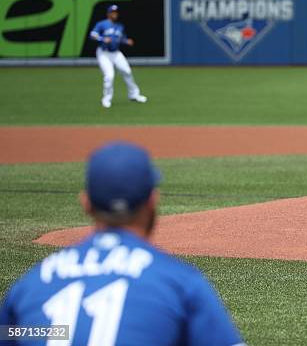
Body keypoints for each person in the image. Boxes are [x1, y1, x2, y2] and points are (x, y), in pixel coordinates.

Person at [0, 142, 245, 346]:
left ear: (86, 203)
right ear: (152, 200)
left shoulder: (32, 283)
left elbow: (12, 333)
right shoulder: (179, 283)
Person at [90, 5, 148, 108]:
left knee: (127, 71)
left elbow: (120, 39)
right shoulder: (102, 24)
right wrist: (102, 39)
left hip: (116, 53)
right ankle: (106, 99)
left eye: (116, 12)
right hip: (104, 53)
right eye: (112, 12)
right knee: (109, 76)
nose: (115, 14)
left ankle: (134, 95)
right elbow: (93, 35)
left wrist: (126, 41)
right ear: (108, 14)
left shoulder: (119, 26)